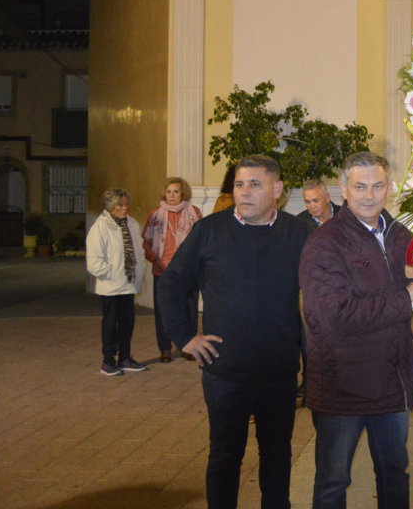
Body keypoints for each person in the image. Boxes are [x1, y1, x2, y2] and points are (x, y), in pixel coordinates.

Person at [300, 151, 413, 509]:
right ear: (343, 189)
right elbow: (333, 315)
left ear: (389, 187)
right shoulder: (324, 243)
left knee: (394, 473)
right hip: (342, 385)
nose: (369, 195)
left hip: (391, 381)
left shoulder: (401, 236)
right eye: (360, 187)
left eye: (377, 186)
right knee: (333, 481)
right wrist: (406, 299)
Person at [158, 154, 309, 509]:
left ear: (277, 189)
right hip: (225, 372)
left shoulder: (299, 234)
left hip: (278, 371)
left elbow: (327, 288)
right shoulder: (209, 231)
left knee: (277, 455)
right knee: (225, 456)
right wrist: (185, 337)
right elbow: (171, 284)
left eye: (255, 184)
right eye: (239, 184)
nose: (244, 192)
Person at [86, 188, 149, 376]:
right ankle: (108, 361)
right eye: (120, 205)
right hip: (111, 285)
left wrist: (139, 268)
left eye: (126, 204)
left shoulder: (132, 223)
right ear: (110, 206)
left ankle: (125, 357)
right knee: (110, 324)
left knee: (127, 321)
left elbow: (138, 250)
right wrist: (111, 273)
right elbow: (94, 261)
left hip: (129, 283)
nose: (124, 208)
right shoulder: (100, 227)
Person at [142, 176, 204, 362]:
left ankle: (187, 347)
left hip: (188, 271)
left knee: (189, 310)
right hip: (163, 270)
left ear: (183, 193)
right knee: (163, 311)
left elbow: (201, 240)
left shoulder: (194, 213)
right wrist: (156, 259)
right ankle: (165, 349)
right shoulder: (155, 215)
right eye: (169, 192)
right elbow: (146, 242)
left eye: (176, 192)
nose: (172, 195)